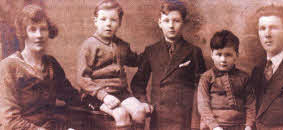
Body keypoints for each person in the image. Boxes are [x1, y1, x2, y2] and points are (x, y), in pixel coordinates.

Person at [0, 4, 89, 129]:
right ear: (23, 32)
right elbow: (10, 121)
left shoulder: (51, 64)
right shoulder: (9, 67)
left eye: (43, 29)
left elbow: (73, 96)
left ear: (49, 32)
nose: (39, 35)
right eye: (32, 29)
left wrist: (104, 100)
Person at [76, 0, 153, 129]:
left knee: (140, 112)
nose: (108, 24)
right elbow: (82, 78)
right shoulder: (89, 45)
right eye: (103, 19)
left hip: (121, 92)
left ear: (119, 23)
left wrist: (152, 52)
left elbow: (136, 60)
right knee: (121, 114)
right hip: (96, 95)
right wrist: (104, 96)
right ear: (95, 21)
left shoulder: (122, 45)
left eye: (113, 20)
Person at [130, 1, 206, 130]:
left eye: (176, 21)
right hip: (159, 114)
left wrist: (198, 117)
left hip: (184, 115)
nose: (171, 26)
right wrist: (144, 102)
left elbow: (203, 87)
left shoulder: (194, 51)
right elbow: (138, 83)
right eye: (166, 21)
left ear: (183, 23)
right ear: (160, 23)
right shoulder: (151, 51)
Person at [196, 30, 255, 130]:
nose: (223, 59)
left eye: (228, 55)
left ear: (236, 55)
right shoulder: (206, 77)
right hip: (213, 126)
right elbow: (203, 105)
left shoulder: (244, 78)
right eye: (219, 54)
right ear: (212, 54)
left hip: (239, 126)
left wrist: (249, 126)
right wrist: (215, 127)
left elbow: (251, 104)